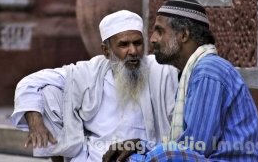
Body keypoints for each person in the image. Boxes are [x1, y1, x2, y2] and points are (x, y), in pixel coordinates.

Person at [103, 0, 258, 161]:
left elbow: (195, 147)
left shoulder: (209, 70)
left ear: (183, 35)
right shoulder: (192, 72)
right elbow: (186, 147)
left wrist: (147, 152)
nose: (152, 39)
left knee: (161, 156)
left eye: (159, 31)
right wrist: (140, 146)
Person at [11, 10, 179, 162]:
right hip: (95, 156)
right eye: (124, 45)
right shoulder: (89, 71)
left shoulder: (160, 70)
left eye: (137, 43)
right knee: (49, 92)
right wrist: (35, 122)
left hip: (142, 154)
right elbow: (30, 83)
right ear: (106, 50)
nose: (133, 51)